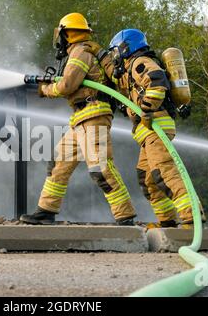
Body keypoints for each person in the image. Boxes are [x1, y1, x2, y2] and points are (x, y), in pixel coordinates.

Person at [20, 13, 137, 226]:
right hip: (80, 118)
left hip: (93, 115)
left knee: (100, 169)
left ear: (68, 33)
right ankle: (46, 211)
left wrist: (45, 90)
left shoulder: (80, 52)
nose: (59, 39)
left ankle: (125, 216)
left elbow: (67, 86)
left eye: (61, 34)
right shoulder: (79, 51)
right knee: (57, 163)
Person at [87, 29, 204, 229]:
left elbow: (157, 82)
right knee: (148, 178)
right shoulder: (129, 68)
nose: (115, 56)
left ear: (126, 47)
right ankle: (167, 220)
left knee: (165, 172)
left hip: (156, 127)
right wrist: (101, 55)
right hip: (148, 133)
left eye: (115, 51)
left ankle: (193, 217)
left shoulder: (140, 63)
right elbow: (116, 80)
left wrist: (146, 108)